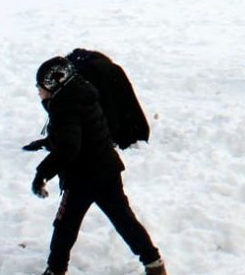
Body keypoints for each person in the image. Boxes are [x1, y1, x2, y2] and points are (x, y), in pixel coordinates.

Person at [28, 57, 166, 275]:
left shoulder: (65, 107)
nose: (37, 90)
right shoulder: (82, 93)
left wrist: (42, 173)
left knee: (65, 226)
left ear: (55, 85)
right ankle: (154, 263)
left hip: (83, 176)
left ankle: (55, 271)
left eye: (40, 86)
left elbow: (68, 148)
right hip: (107, 168)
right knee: (123, 219)